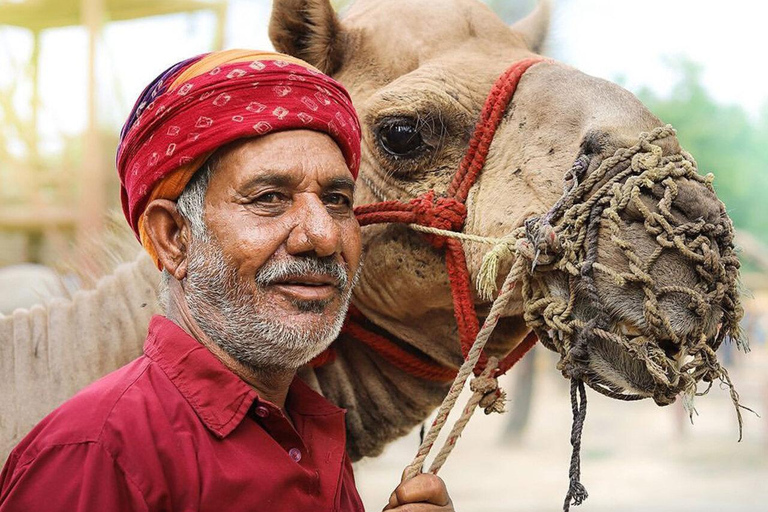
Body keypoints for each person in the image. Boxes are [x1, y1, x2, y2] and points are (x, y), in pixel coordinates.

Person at [0, 49, 453, 512]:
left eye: (336, 199)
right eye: (270, 197)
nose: (322, 234)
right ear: (173, 236)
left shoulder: (307, 430)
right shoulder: (96, 456)